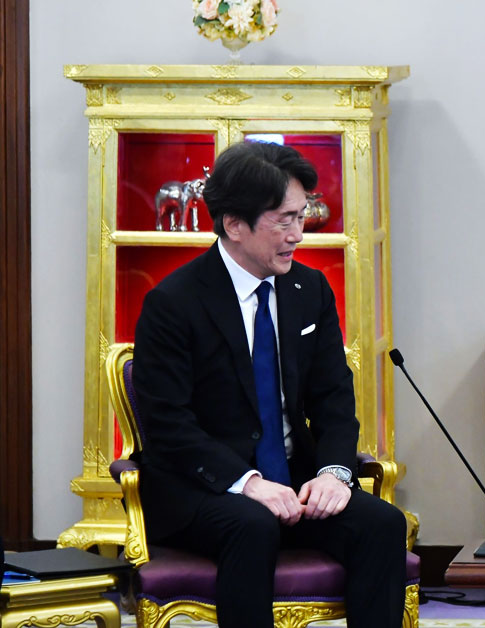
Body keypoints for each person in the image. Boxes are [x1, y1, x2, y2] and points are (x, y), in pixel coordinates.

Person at [133, 141, 408, 628]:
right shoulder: (172, 303)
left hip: (295, 481)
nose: (298, 234)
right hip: (203, 488)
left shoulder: (310, 289)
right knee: (253, 523)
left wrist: (333, 474)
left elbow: (334, 399)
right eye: (284, 220)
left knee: (382, 522)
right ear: (234, 224)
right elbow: (168, 425)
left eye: (300, 216)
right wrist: (249, 484)